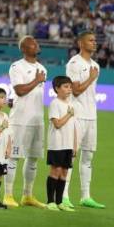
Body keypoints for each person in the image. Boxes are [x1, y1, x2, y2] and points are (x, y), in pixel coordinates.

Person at [3, 36, 47, 208]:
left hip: (37, 120)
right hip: (20, 120)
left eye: (37, 42)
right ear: (23, 48)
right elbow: (19, 90)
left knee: (33, 158)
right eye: (32, 43)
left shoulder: (42, 68)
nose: (36, 44)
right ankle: (8, 195)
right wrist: (36, 80)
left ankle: (27, 195)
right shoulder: (17, 66)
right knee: (13, 157)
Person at [64, 31, 105, 209]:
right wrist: (91, 77)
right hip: (77, 115)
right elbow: (76, 90)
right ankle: (64, 195)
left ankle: (85, 196)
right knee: (71, 156)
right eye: (90, 40)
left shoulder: (95, 65)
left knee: (88, 156)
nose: (94, 43)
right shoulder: (74, 63)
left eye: (95, 40)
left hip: (91, 116)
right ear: (81, 43)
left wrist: (92, 76)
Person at [45, 76, 77, 212]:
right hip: (57, 143)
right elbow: (57, 124)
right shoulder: (55, 103)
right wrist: (69, 115)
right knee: (55, 171)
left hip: (68, 144)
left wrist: (75, 145)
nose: (69, 89)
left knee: (64, 172)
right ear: (57, 88)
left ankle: (60, 202)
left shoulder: (70, 105)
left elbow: (74, 126)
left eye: (70, 87)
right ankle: (50, 201)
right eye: (65, 87)